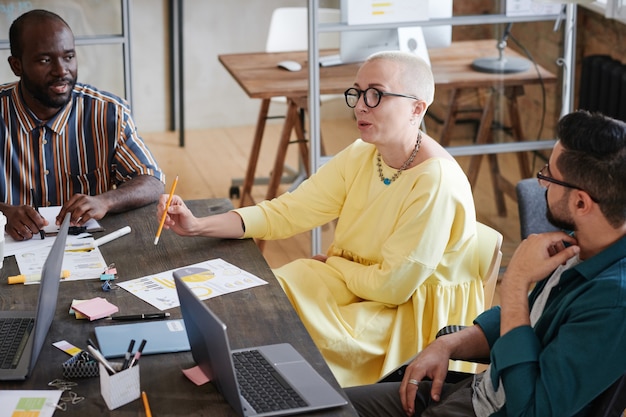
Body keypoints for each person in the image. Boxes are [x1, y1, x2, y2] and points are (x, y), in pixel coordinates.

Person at [157, 51, 483, 387]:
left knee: (288, 326)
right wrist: (197, 226)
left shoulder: (436, 181)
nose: (360, 106)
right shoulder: (364, 154)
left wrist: (337, 264)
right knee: (263, 295)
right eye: (356, 92)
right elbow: (289, 211)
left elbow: (392, 287)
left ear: (417, 107)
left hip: (406, 315)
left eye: (376, 94)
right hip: (358, 285)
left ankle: (268, 393)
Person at [345, 110, 626, 416]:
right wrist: (449, 345)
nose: (542, 183)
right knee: (323, 406)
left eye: (548, 175)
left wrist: (516, 283)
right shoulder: (577, 245)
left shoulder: (613, 302)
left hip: (492, 411)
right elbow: (525, 321)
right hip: (474, 392)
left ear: (581, 203)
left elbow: (532, 410)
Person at [0, 9, 164, 241]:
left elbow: (151, 180)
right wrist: (2, 212)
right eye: (45, 60)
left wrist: (105, 200)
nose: (61, 71)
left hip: (89, 250)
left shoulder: (107, 112)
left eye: (68, 57)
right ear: (17, 66)